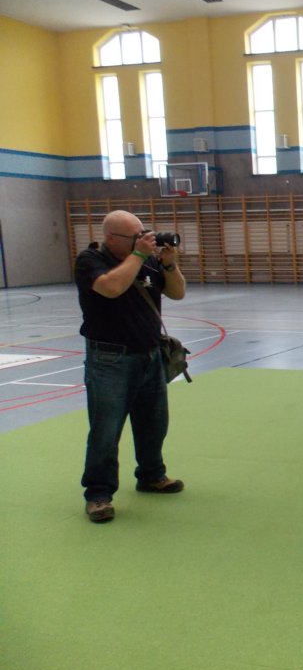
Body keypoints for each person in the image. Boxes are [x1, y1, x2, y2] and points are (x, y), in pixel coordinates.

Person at [75, 210, 187, 523]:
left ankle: (151, 475)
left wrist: (169, 264)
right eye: (135, 236)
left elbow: (177, 293)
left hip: (149, 355)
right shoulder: (91, 260)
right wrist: (138, 255)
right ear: (112, 238)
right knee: (106, 430)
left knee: (154, 423)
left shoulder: (148, 260)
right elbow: (111, 288)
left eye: (143, 233)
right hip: (109, 359)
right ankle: (98, 494)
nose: (144, 239)